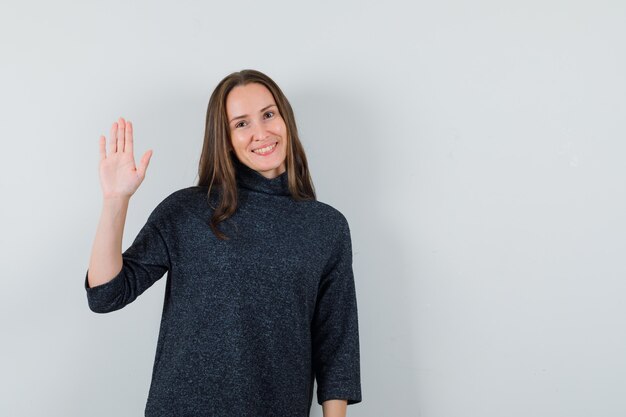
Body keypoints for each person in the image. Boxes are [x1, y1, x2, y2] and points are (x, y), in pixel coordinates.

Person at [84, 69, 362, 417]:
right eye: (241, 123)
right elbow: (106, 294)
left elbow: (336, 347)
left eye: (268, 114)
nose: (261, 133)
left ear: (285, 119)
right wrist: (115, 200)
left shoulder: (326, 227)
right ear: (225, 139)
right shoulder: (186, 211)